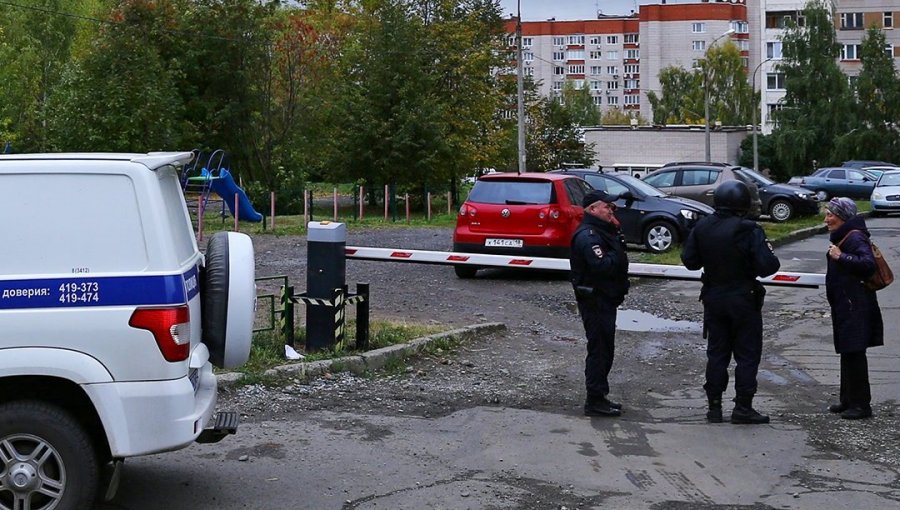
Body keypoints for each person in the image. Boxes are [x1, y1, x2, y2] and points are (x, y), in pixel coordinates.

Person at [681, 180, 781, 424]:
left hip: (713, 298)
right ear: (743, 203)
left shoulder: (703, 226)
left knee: (717, 353)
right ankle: (743, 408)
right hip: (743, 299)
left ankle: (714, 407)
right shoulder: (748, 229)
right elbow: (769, 266)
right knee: (747, 355)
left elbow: (690, 261)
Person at [570, 189, 630, 417]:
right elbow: (602, 266)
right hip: (594, 300)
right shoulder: (589, 236)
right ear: (593, 209)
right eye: (607, 206)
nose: (611, 210)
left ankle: (600, 396)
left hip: (605, 299)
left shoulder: (604, 232)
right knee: (599, 349)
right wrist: (618, 255)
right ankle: (594, 399)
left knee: (606, 348)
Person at [823, 197, 883, 420]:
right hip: (847, 303)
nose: (826, 219)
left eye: (830, 214)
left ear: (843, 216)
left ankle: (861, 405)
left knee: (855, 352)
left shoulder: (855, 236)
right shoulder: (846, 235)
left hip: (855, 304)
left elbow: (868, 265)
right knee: (848, 351)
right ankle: (848, 399)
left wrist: (842, 256)